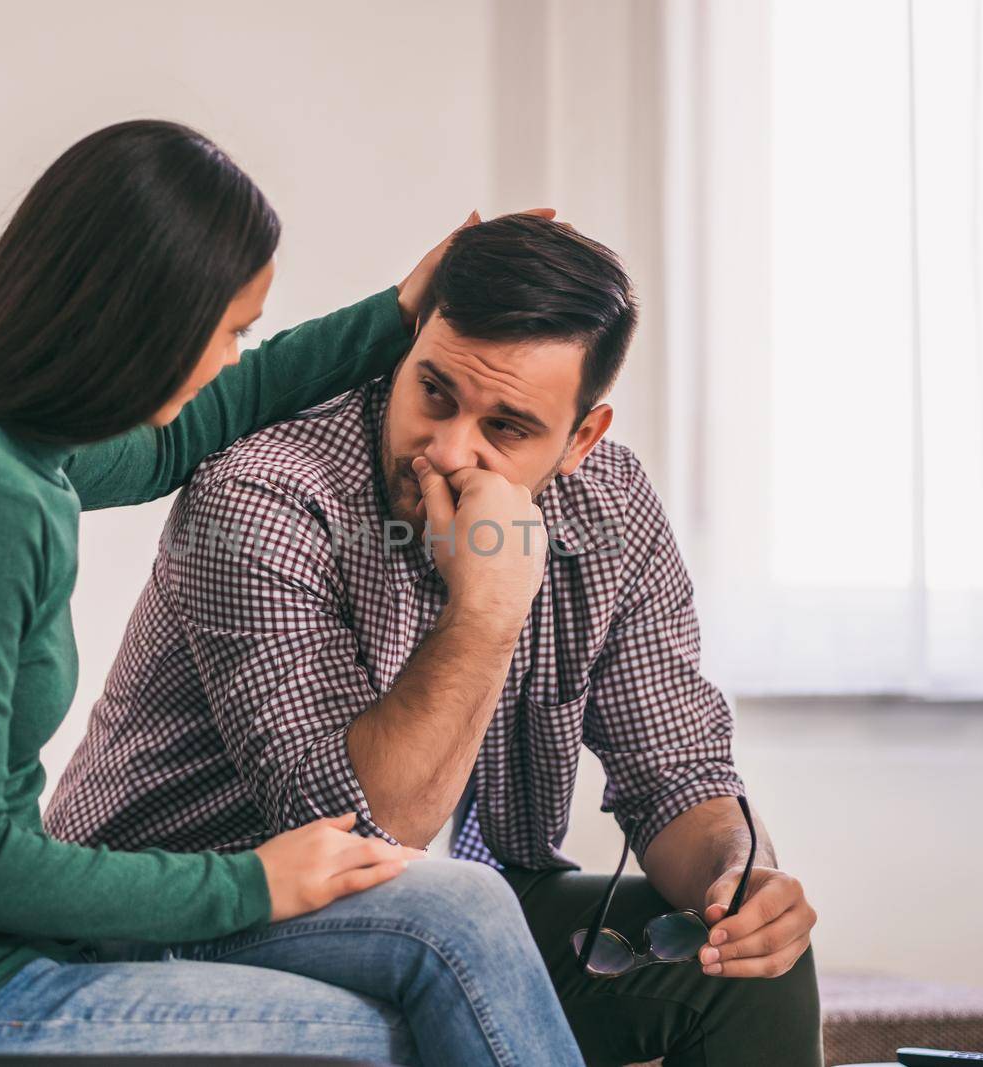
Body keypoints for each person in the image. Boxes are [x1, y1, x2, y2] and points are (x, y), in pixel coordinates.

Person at [0, 120, 583, 1065]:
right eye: (229, 331)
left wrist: (394, 310)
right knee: (395, 1029)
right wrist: (251, 882)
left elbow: (192, 428)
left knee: (451, 931)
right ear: (145, 322)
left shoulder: (8, 448)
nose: (229, 359)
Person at [45, 213, 823, 1067]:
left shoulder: (609, 505)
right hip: (196, 912)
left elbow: (678, 770)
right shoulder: (264, 496)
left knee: (754, 965)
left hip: (464, 909)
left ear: (580, 439)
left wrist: (739, 877)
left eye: (508, 427)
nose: (448, 449)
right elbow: (357, 832)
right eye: (435, 393)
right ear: (410, 345)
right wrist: (488, 609)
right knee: (454, 918)